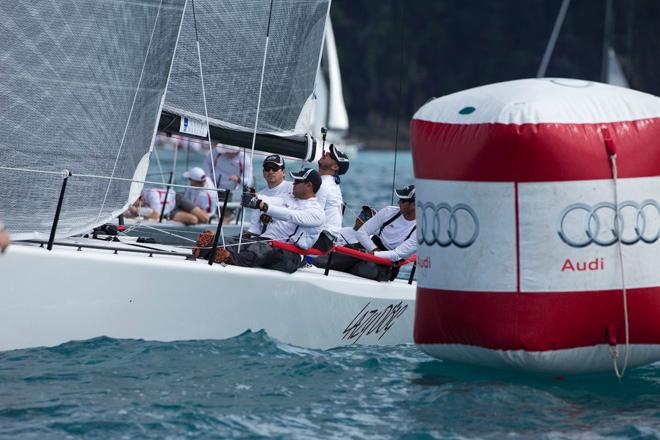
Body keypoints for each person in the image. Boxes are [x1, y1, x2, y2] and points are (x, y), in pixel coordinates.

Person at [213, 168, 324, 273]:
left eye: (297, 181)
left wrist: (262, 206)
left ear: (309, 185)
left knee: (263, 250)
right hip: (268, 242)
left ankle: (229, 258)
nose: (293, 184)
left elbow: (290, 216)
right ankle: (209, 249)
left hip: (291, 255)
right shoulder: (289, 198)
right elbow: (272, 200)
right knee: (235, 242)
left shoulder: (317, 212)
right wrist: (254, 196)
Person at [314, 185, 416, 282]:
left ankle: (339, 270)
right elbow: (362, 232)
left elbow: (397, 255)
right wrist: (373, 249)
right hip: (369, 248)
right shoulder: (388, 212)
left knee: (366, 269)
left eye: (402, 201)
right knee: (323, 261)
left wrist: (374, 254)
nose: (398, 202)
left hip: (388, 264)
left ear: (414, 205)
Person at [247, 154, 293, 236]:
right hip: (266, 241)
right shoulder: (259, 194)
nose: (271, 171)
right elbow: (255, 227)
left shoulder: (293, 188)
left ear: (283, 172)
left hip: (286, 241)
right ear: (263, 172)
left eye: (275, 168)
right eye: (267, 168)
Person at [316, 144, 349, 236]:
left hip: (323, 236)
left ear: (335, 167)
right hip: (330, 234)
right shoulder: (330, 182)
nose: (326, 153)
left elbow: (314, 215)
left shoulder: (323, 184)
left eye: (331, 155)